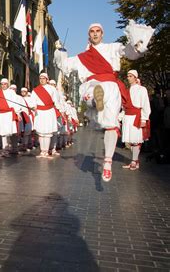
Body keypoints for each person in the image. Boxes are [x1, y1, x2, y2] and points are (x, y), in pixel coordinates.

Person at [54, 21, 154, 182]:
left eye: (98, 31)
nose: (95, 33)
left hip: (111, 87)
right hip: (93, 84)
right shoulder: (82, 57)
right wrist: (60, 52)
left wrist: (138, 45)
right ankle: (94, 99)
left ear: (102, 34)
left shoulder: (112, 48)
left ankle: (107, 161)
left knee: (112, 125)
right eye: (92, 31)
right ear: (89, 35)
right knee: (93, 90)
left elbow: (129, 52)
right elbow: (63, 65)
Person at [121, 70, 151, 170]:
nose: (128, 78)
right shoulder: (127, 90)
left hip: (136, 116)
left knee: (136, 139)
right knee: (131, 140)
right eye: (128, 76)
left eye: (130, 76)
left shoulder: (142, 89)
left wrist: (144, 118)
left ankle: (134, 161)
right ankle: (135, 160)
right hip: (128, 117)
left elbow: (145, 104)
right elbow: (124, 106)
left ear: (135, 77)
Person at [30, 73, 59, 159]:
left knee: (47, 133)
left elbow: (56, 101)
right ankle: (42, 151)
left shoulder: (52, 89)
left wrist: (60, 110)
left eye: (43, 78)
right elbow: (33, 101)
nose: (42, 80)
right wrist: (33, 107)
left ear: (47, 79)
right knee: (41, 133)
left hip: (49, 112)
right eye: (40, 78)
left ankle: (46, 151)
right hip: (40, 112)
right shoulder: (35, 90)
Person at [0, 79, 22, 157]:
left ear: (7, 84)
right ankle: (4, 150)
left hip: (9, 114)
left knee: (9, 132)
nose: (3, 85)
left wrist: (18, 113)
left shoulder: (11, 92)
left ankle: (10, 148)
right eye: (2, 84)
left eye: (5, 84)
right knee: (3, 133)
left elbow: (15, 103)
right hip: (1, 115)